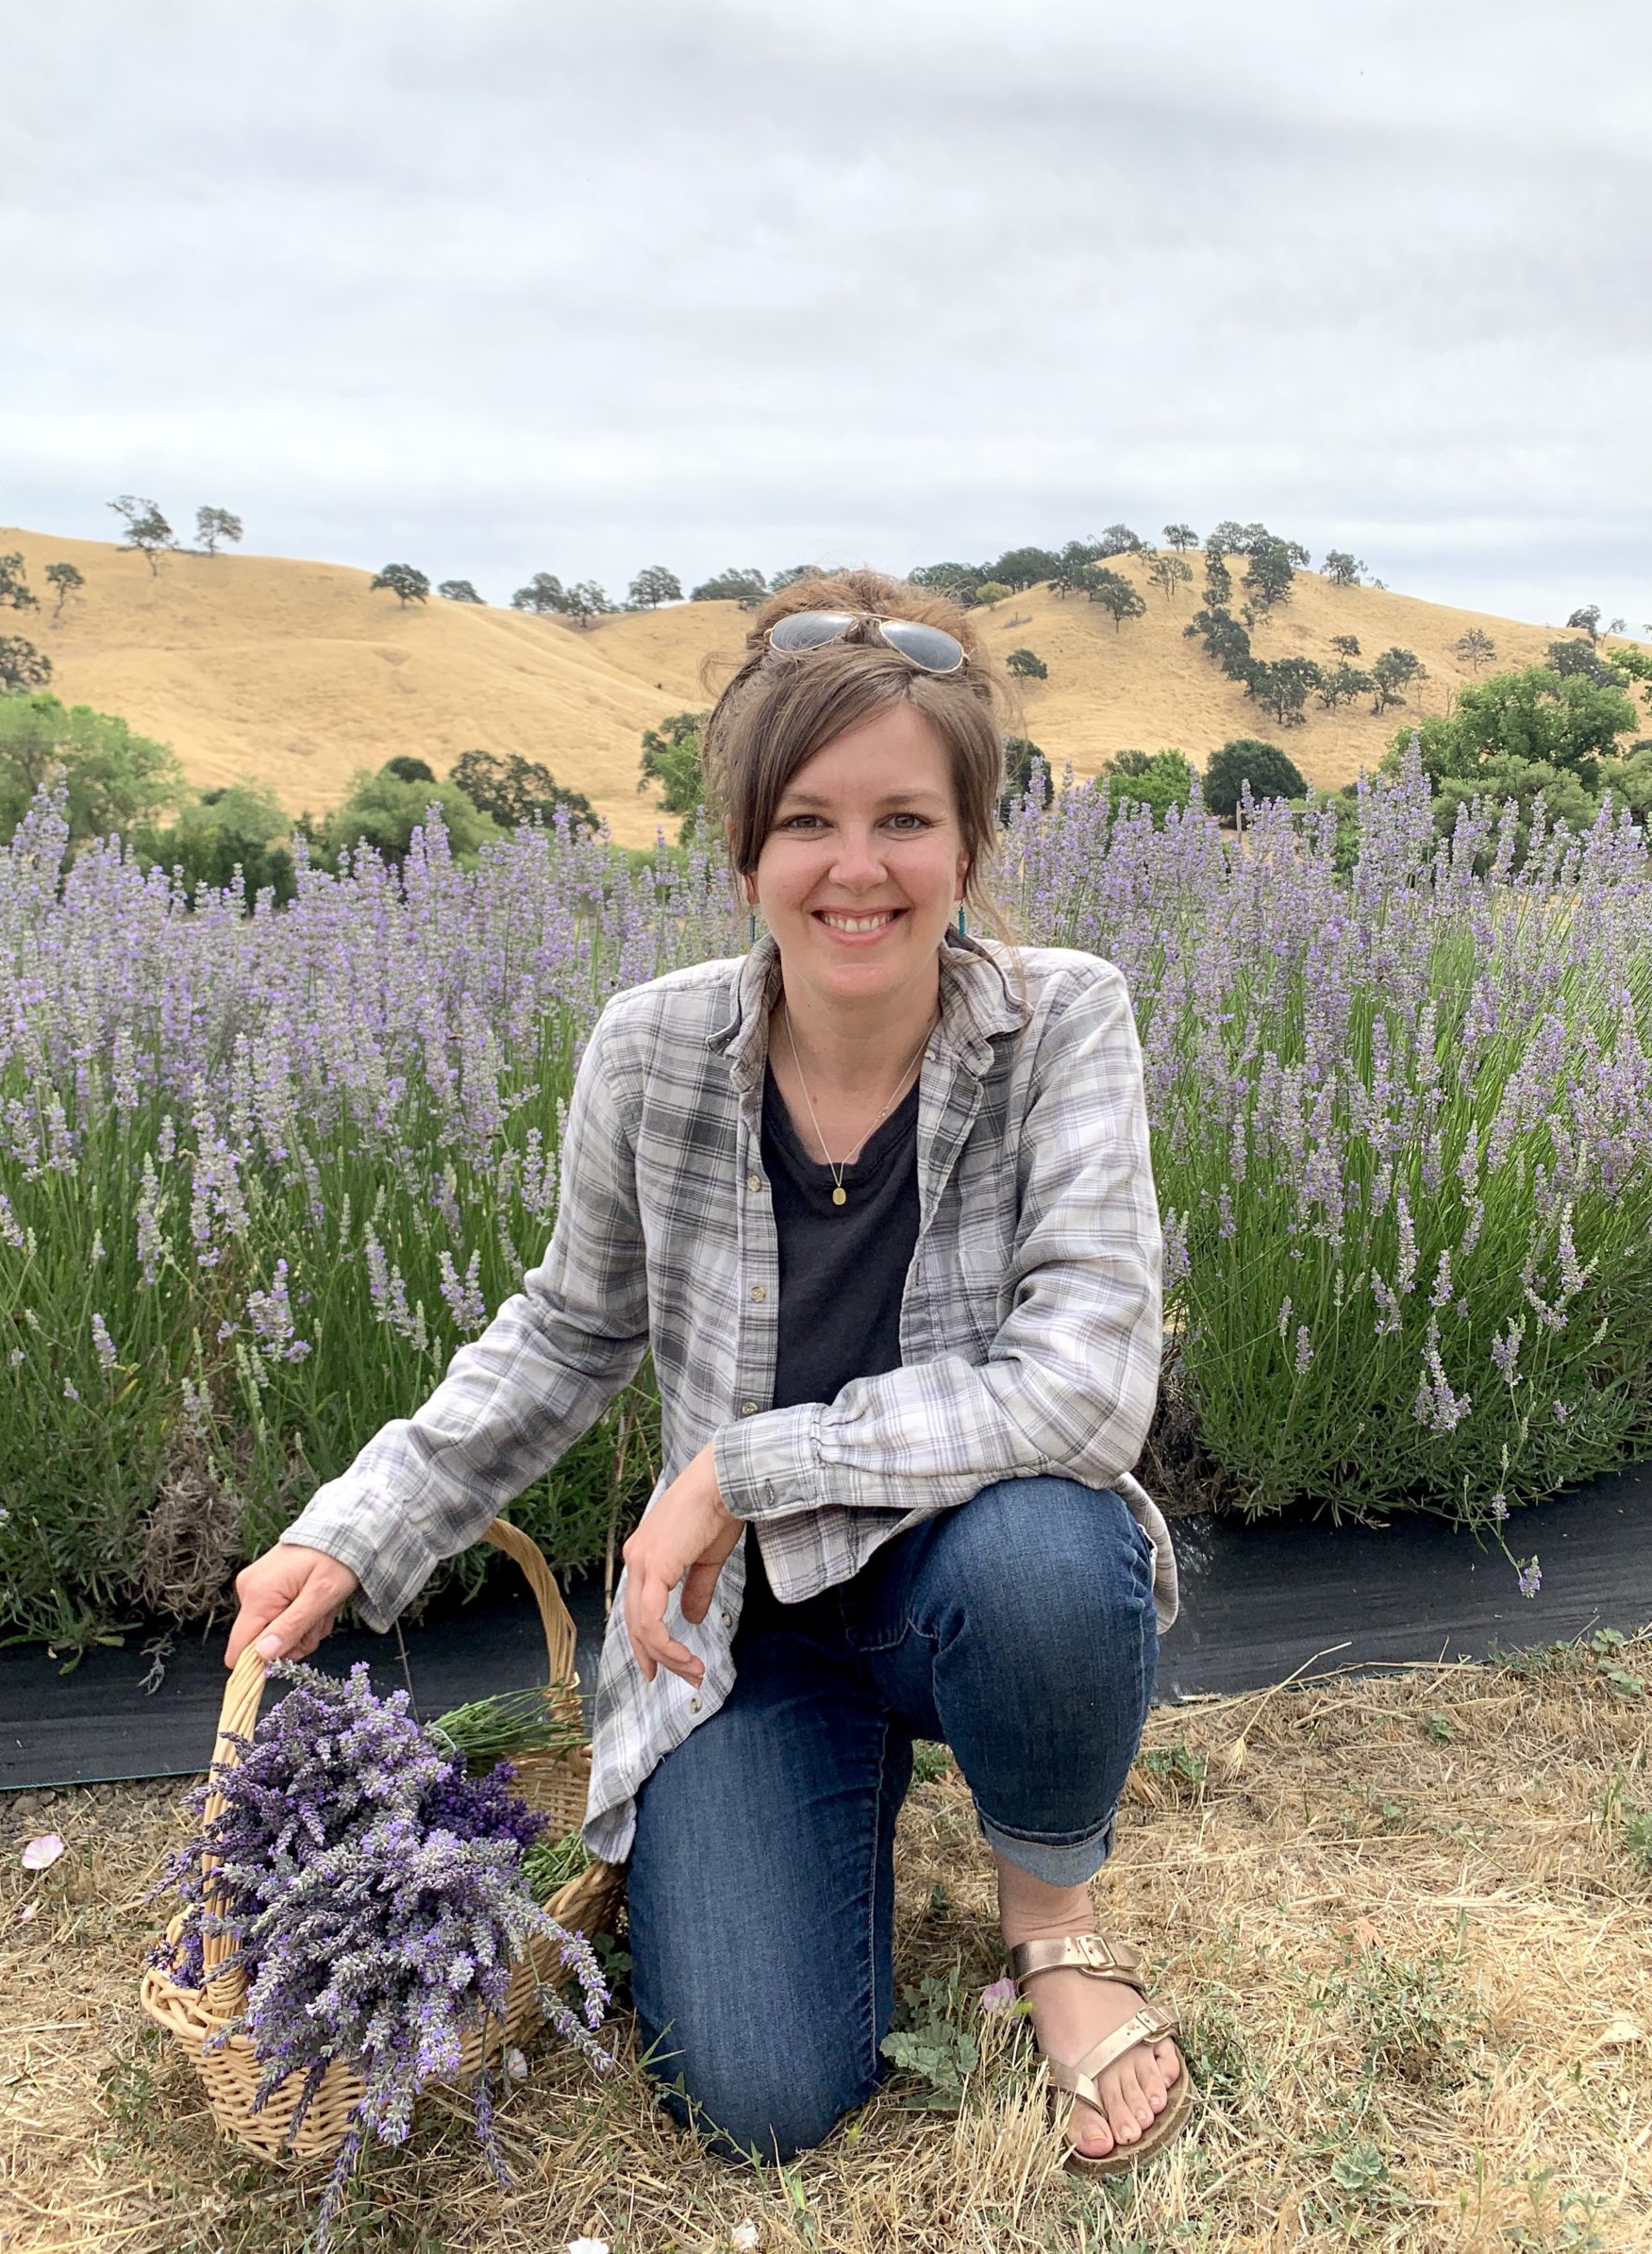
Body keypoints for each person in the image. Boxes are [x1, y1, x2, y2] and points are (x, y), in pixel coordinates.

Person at [225, 568, 1190, 2172]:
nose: (857, 868)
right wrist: (358, 1522)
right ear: (742, 848)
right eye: (808, 820)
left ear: (968, 846)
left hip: (963, 1571)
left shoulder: (1060, 1021)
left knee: (1052, 1543)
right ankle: (829, 1776)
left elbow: (1088, 1377)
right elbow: (563, 1328)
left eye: (905, 820)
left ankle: (1052, 1931)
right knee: (754, 2096)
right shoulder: (653, 1049)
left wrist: (743, 1469)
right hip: (733, 1634)